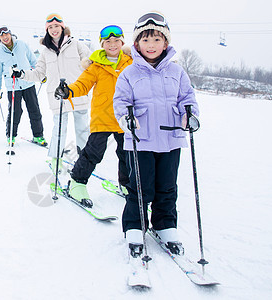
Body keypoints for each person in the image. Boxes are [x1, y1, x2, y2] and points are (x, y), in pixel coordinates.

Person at [113, 12, 199, 261]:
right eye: (145, 40)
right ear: (137, 44)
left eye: (157, 40)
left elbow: (187, 99)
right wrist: (125, 119)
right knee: (140, 188)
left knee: (167, 187)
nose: (151, 46)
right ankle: (135, 227)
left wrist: (189, 116)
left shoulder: (177, 72)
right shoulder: (128, 74)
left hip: (171, 140)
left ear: (166, 43)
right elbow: (120, 102)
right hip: (139, 140)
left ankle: (164, 225)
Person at [55, 25, 132, 207]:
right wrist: (68, 90)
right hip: (103, 118)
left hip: (125, 118)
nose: (112, 45)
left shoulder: (131, 63)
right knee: (93, 152)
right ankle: (77, 184)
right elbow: (82, 84)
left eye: (116, 41)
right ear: (102, 44)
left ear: (122, 42)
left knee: (127, 154)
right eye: (108, 42)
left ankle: (127, 184)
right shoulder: (96, 66)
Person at [12, 13, 91, 170]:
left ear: (62, 27)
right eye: (50, 27)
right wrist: (22, 74)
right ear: (47, 30)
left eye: (56, 26)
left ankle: (85, 158)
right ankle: (56, 158)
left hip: (78, 92)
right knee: (59, 129)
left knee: (82, 128)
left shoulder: (76, 45)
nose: (54, 30)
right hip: (57, 96)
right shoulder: (45, 51)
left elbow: (90, 64)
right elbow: (39, 73)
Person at [0, 26, 47, 146]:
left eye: (6, 34)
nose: (5, 37)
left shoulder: (22, 45)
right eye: (2, 36)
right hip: (13, 87)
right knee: (15, 112)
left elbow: (34, 61)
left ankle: (38, 136)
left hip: (28, 82)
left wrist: (41, 74)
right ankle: (11, 136)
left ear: (10, 34)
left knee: (34, 110)